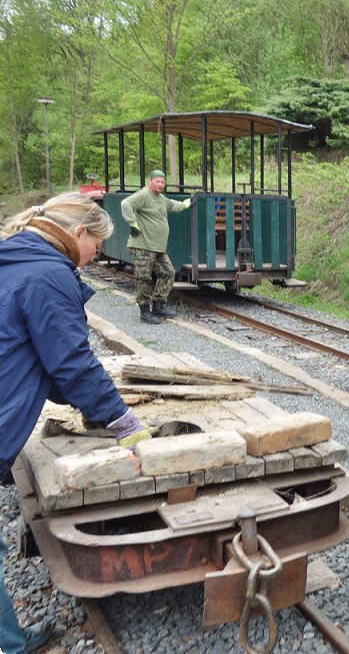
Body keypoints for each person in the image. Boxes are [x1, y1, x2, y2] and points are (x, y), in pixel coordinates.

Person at [0, 192, 154, 653]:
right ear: (78, 233)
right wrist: (121, 418)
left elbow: (42, 362)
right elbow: (70, 361)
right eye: (97, 245)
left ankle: (9, 639)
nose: (96, 256)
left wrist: (92, 404)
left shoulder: (14, 259)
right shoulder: (49, 274)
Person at [120, 170, 192, 324]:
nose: (160, 184)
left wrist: (186, 204)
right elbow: (125, 204)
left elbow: (173, 205)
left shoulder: (161, 198)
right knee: (143, 277)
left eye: (162, 182)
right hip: (144, 245)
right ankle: (145, 312)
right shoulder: (144, 195)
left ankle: (159, 306)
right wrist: (132, 223)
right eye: (157, 181)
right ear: (150, 181)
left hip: (158, 247)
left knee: (168, 273)